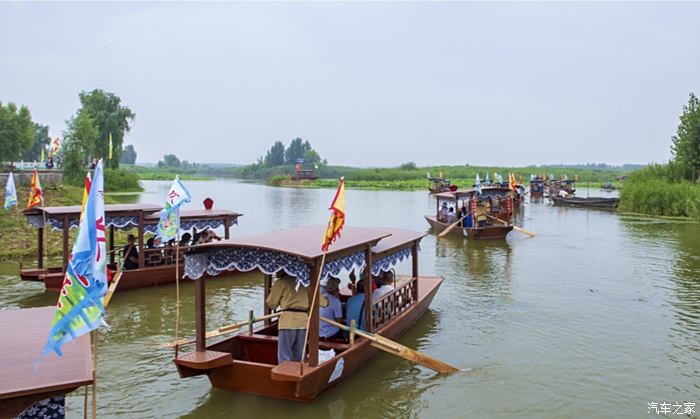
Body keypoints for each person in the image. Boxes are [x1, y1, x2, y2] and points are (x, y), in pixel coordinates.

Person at [266, 271, 309, 364]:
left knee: (285, 355)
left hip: (288, 321)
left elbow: (271, 304)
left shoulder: (281, 282)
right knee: (300, 353)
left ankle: (285, 373)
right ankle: (299, 372)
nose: (276, 272)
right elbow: (322, 302)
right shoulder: (304, 282)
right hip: (303, 321)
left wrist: (272, 290)